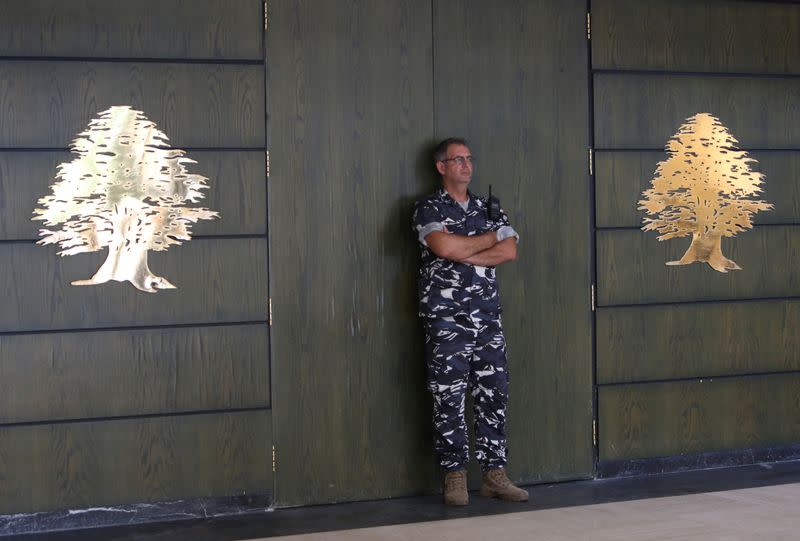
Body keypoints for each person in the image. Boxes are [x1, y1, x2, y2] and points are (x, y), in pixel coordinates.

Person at [412, 137, 528, 506]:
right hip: (446, 319)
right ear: (441, 167)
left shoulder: (488, 208)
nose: (465, 165)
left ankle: (495, 475)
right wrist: (487, 240)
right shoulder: (428, 207)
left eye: (469, 159)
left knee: (494, 393)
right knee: (449, 396)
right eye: (456, 160)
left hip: (486, 317)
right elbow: (443, 249)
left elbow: (508, 252)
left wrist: (466, 247)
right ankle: (455, 477)